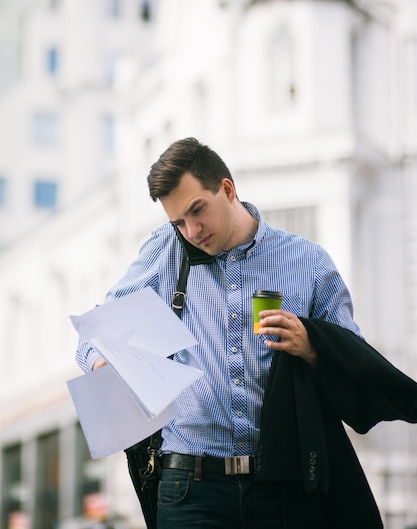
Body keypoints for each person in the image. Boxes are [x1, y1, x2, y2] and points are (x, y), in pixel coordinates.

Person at [76, 137, 362, 529]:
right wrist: (104, 359)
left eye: (197, 211)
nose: (192, 231)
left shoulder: (307, 262)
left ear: (227, 190)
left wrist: (312, 346)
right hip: (189, 489)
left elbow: (355, 359)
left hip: (282, 485)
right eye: (178, 221)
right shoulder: (167, 250)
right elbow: (93, 335)